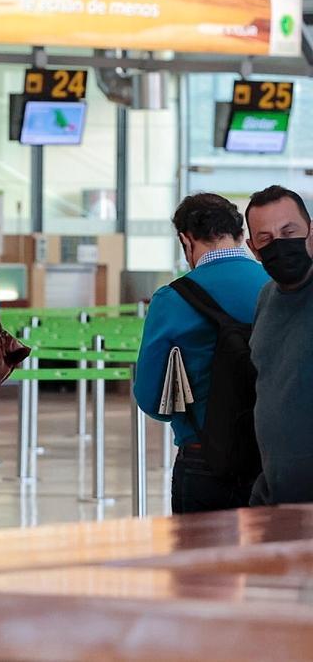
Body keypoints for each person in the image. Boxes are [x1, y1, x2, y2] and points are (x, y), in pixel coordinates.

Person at [132, 194, 268, 513]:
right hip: (273, 457)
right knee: (269, 560)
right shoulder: (276, 287)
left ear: (185, 239)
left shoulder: (172, 299)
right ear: (241, 236)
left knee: (200, 562)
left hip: (204, 457)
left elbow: (152, 400)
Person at [244, 185, 313, 506]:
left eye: (289, 231)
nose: (280, 245)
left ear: (311, 231)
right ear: (253, 249)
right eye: (266, 239)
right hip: (276, 498)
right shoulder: (266, 298)